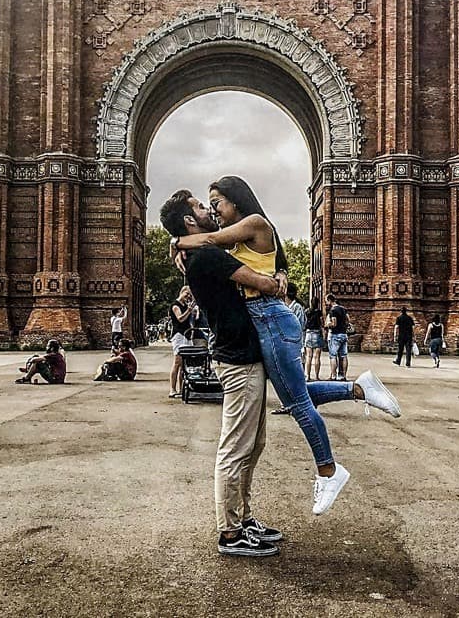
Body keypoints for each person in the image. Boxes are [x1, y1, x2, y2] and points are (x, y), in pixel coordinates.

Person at [171, 177, 401, 516]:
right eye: (208, 205)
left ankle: (329, 470)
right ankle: (359, 389)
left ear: (237, 199)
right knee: (297, 392)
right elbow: (229, 255)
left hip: (271, 319)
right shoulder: (235, 239)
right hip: (263, 321)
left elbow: (210, 240)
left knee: (296, 403)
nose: (214, 210)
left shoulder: (253, 223)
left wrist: (176, 242)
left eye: (217, 202)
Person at [160, 189, 283, 556]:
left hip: (243, 355)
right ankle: (230, 533)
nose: (209, 208)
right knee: (235, 448)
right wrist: (276, 280)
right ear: (189, 220)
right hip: (238, 360)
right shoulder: (208, 256)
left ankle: (243, 518)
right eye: (201, 206)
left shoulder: (201, 254)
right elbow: (262, 284)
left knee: (252, 445)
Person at [168, 286, 195, 398]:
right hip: (179, 335)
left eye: (189, 295)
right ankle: (172, 389)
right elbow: (180, 318)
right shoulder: (175, 305)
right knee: (177, 363)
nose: (188, 296)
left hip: (186, 335)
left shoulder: (185, 305)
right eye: (186, 294)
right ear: (181, 292)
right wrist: (189, 311)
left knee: (184, 365)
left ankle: (181, 388)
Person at [324, 293, 349, 380]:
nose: (326, 303)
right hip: (344, 334)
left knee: (333, 356)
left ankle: (334, 376)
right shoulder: (343, 309)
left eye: (326, 301)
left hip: (335, 335)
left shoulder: (333, 310)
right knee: (344, 356)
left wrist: (328, 324)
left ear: (330, 300)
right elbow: (348, 320)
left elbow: (334, 323)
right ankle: (344, 376)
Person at [304, 296, 324, 381]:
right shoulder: (319, 312)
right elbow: (322, 323)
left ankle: (307, 376)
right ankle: (316, 376)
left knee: (308, 356)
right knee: (317, 357)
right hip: (317, 333)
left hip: (308, 333)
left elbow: (304, 322)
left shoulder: (307, 311)